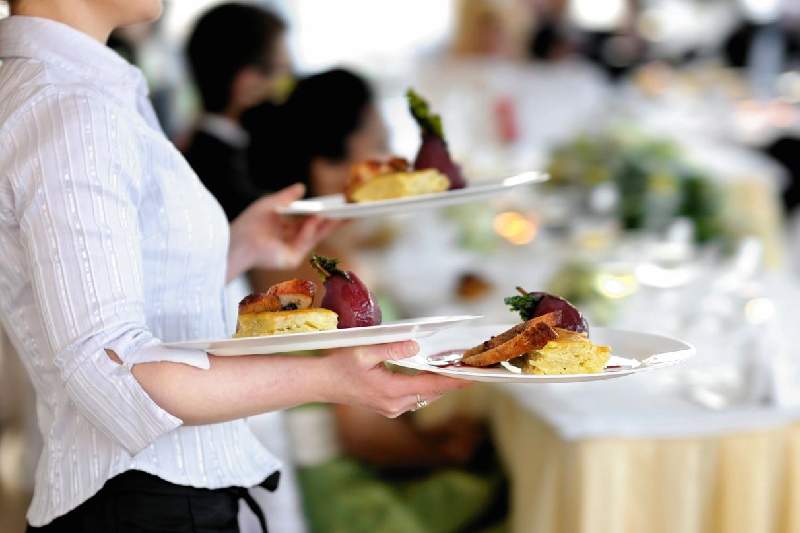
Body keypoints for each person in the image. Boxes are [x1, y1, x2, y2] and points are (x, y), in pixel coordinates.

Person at [0, 1, 469, 532]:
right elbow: (113, 370)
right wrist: (328, 377)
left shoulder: (81, 87)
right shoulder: (68, 104)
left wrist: (237, 249)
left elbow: (113, 304)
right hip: (148, 507)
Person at [184, 2, 291, 221]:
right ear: (247, 81)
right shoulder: (220, 169)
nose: (285, 83)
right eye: (280, 70)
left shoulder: (204, 149)